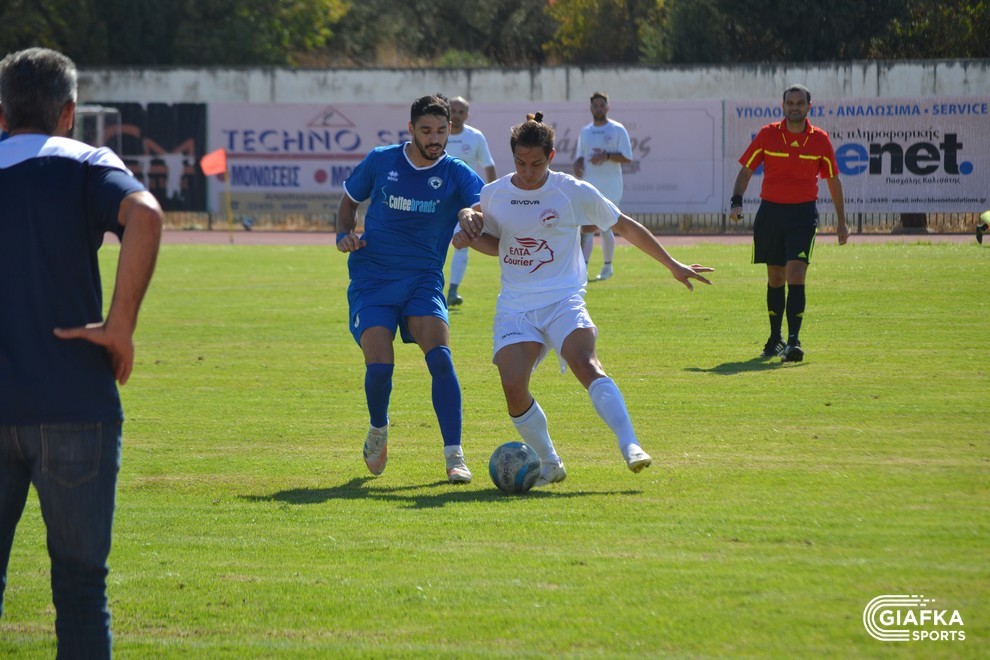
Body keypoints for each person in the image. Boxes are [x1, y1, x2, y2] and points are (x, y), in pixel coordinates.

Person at [0, 48, 163, 658]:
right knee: (80, 589)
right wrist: (121, 326)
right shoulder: (89, 161)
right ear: (69, 112)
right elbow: (145, 215)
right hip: (75, 402)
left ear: (2, 114)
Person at [455, 113, 712, 486]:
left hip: (563, 300)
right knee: (512, 385)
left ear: (551, 156)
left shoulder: (572, 191)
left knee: (585, 362)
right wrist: (467, 231)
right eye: (521, 163)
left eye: (536, 163)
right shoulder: (494, 193)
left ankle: (630, 444)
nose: (528, 171)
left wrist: (672, 265)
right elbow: (496, 244)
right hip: (516, 306)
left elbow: (624, 226)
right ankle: (550, 462)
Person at [335, 94, 484, 483]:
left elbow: (483, 206)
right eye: (427, 131)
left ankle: (454, 455)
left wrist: (470, 212)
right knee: (380, 366)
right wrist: (343, 234)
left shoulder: (455, 172)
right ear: (411, 130)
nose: (435, 139)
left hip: (422, 278)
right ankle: (378, 429)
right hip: (373, 278)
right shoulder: (381, 160)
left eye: (442, 131)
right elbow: (349, 203)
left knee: (441, 359)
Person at [729, 83, 848, 363]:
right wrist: (736, 201)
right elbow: (746, 172)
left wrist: (842, 222)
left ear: (809, 106)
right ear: (783, 106)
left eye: (800, 103)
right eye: (790, 103)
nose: (795, 107)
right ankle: (775, 339)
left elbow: (833, 181)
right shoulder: (768, 134)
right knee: (775, 277)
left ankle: (794, 341)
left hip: (803, 216)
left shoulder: (820, 140)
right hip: (771, 214)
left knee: (796, 273)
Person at [573, 92, 633, 281]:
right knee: (587, 227)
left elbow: (627, 157)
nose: (598, 109)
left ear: (607, 107)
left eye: (602, 105)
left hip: (611, 187)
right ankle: (583, 269)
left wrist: (606, 156)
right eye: (595, 106)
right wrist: (577, 163)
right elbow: (580, 155)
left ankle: (607, 267)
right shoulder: (586, 131)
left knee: (607, 227)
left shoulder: (617, 129)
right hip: (589, 185)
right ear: (591, 108)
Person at [444, 96, 497, 306]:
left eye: (461, 111)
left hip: (466, 203)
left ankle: (452, 291)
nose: (456, 115)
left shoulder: (475, 137)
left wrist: (492, 197)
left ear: (467, 114)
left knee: (464, 242)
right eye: (453, 110)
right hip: (438, 201)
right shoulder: (438, 134)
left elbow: (488, 165)